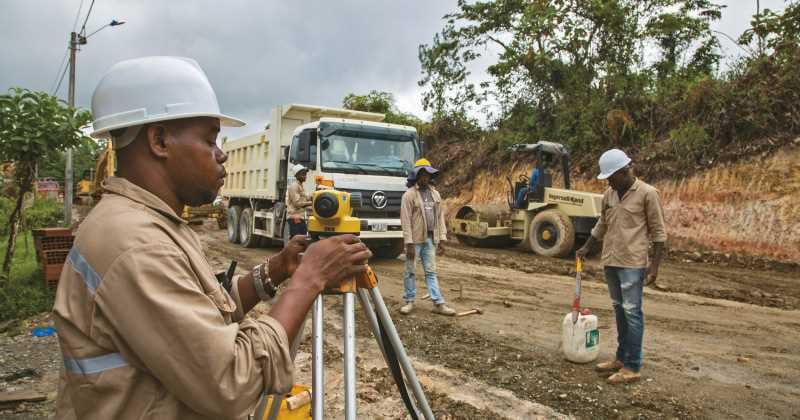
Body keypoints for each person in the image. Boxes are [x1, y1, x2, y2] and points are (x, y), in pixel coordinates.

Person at [52, 56, 371, 420]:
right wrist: (309, 279)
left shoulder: (151, 224)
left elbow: (200, 319)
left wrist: (276, 271)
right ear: (159, 140)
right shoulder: (134, 245)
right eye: (209, 140)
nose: (222, 155)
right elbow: (231, 382)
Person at [576, 148, 667, 384]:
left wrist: (654, 267)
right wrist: (586, 247)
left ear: (625, 171)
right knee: (619, 310)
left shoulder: (648, 193)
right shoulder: (609, 194)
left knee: (632, 313)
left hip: (633, 264)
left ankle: (632, 366)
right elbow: (601, 224)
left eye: (611, 177)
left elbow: (659, 234)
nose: (608, 181)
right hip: (611, 261)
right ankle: (620, 358)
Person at [399, 159, 456, 316]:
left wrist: (442, 238)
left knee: (431, 272)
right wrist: (409, 243)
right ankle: (409, 302)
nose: (425, 178)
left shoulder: (435, 194)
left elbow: (440, 218)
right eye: (422, 174)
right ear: (416, 176)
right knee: (410, 271)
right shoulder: (409, 195)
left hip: (430, 240)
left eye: (427, 175)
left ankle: (438, 304)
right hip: (415, 241)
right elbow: (405, 221)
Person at [286, 163, 312, 238]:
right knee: (297, 239)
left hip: (300, 216)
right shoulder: (294, 186)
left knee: (301, 239)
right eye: (303, 174)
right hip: (295, 217)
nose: (305, 176)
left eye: (305, 174)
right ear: (297, 175)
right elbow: (297, 203)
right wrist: (310, 203)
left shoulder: (300, 186)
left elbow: (306, 197)